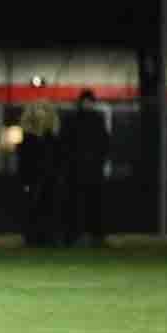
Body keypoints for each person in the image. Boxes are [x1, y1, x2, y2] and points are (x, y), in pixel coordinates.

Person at [64, 89, 110, 247]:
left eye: (89, 102)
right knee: (79, 205)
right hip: (79, 171)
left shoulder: (96, 120)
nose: (88, 104)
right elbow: (68, 145)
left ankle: (95, 236)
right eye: (86, 101)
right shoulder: (77, 120)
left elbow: (104, 144)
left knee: (94, 205)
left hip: (90, 171)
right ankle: (79, 236)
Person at [15, 100, 62, 247]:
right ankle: (32, 238)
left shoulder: (53, 139)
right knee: (32, 208)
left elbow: (58, 160)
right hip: (33, 180)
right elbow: (23, 163)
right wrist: (25, 181)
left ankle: (49, 237)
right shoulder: (27, 139)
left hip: (50, 180)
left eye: (44, 110)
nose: (41, 114)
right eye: (38, 110)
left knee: (49, 208)